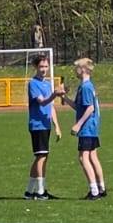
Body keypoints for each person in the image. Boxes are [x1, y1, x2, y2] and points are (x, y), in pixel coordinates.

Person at [23, 52, 66, 199]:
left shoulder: (47, 84)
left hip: (46, 125)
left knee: (42, 157)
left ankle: (30, 191)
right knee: (41, 157)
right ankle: (40, 191)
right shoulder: (33, 83)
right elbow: (42, 102)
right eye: (41, 66)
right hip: (37, 125)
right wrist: (54, 94)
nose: (44, 69)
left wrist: (57, 125)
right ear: (36, 67)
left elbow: (50, 106)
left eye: (46, 66)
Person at [70, 57, 105, 198]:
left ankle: (94, 190)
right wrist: (63, 97)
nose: (75, 71)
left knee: (83, 157)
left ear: (83, 69)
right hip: (92, 127)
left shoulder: (85, 87)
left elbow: (90, 108)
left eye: (77, 68)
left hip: (87, 127)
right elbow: (78, 107)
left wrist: (78, 124)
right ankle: (101, 188)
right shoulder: (86, 86)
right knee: (93, 156)